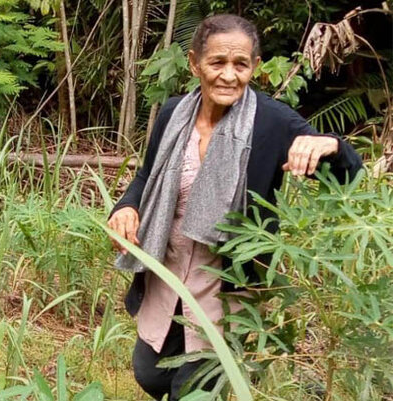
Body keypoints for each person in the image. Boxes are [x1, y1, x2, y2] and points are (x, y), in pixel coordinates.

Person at [107, 14, 362, 401]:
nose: (229, 75)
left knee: (190, 390)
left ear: (254, 67)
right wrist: (125, 208)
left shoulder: (272, 123)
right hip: (167, 271)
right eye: (217, 63)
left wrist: (331, 145)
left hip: (225, 285)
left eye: (240, 64)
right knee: (149, 374)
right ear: (195, 64)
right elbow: (146, 176)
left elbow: (348, 173)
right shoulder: (173, 113)